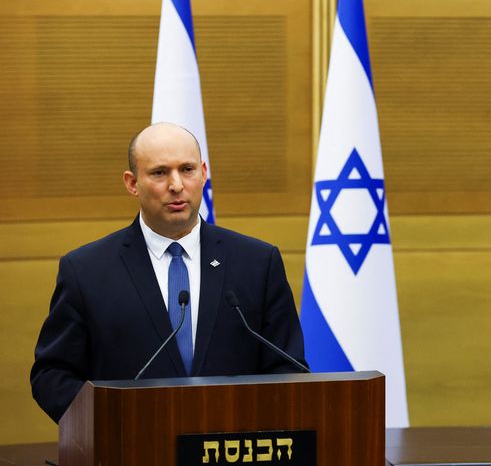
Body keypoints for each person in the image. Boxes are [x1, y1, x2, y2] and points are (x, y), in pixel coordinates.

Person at [31, 122, 306, 423]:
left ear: (203, 173)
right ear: (132, 183)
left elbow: (287, 368)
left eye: (187, 170)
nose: (176, 185)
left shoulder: (257, 262)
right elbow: (53, 375)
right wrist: (110, 422)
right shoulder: (86, 271)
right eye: (159, 173)